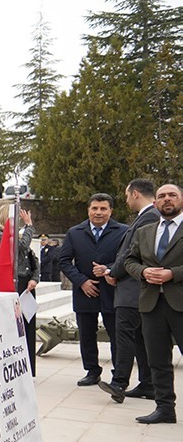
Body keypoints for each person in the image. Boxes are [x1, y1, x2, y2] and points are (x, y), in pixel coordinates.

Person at [124, 183, 183, 425]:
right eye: (162, 196)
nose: (167, 199)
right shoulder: (144, 231)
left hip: (180, 303)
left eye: (173, 195)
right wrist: (143, 271)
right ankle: (165, 409)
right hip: (151, 304)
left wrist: (173, 274)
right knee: (157, 360)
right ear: (156, 203)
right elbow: (129, 260)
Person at [100, 179, 160, 403]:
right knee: (139, 338)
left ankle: (119, 384)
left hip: (133, 288)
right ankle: (148, 384)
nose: (126, 200)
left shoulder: (150, 216)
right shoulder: (147, 216)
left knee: (124, 335)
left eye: (126, 195)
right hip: (135, 288)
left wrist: (113, 272)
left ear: (135, 194)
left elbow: (131, 253)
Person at [58, 193, 126, 386]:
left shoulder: (123, 231)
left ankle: (118, 374)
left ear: (111, 211)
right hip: (84, 291)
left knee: (116, 335)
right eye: (94, 208)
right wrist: (82, 281)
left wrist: (108, 269)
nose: (98, 212)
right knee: (87, 335)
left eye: (103, 208)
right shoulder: (74, 232)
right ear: (88, 209)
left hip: (112, 291)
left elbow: (127, 258)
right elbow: (64, 261)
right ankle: (92, 371)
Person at [0, 205, 39, 376]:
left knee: (28, 327)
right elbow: (21, 247)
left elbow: (33, 258)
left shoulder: (16, 236)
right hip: (9, 284)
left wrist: (34, 278)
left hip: (26, 285)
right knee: (13, 329)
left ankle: (28, 367)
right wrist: (29, 226)